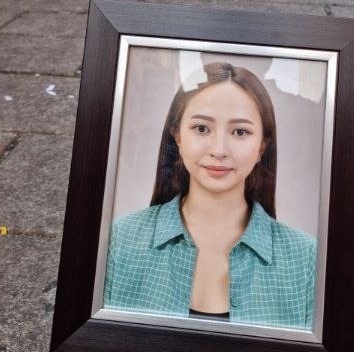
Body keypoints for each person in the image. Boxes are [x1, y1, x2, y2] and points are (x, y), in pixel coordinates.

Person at [103, 62, 316, 329]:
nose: (219, 150)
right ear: (177, 135)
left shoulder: (305, 258)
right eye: (202, 128)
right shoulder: (120, 239)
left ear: (263, 145)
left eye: (240, 132)